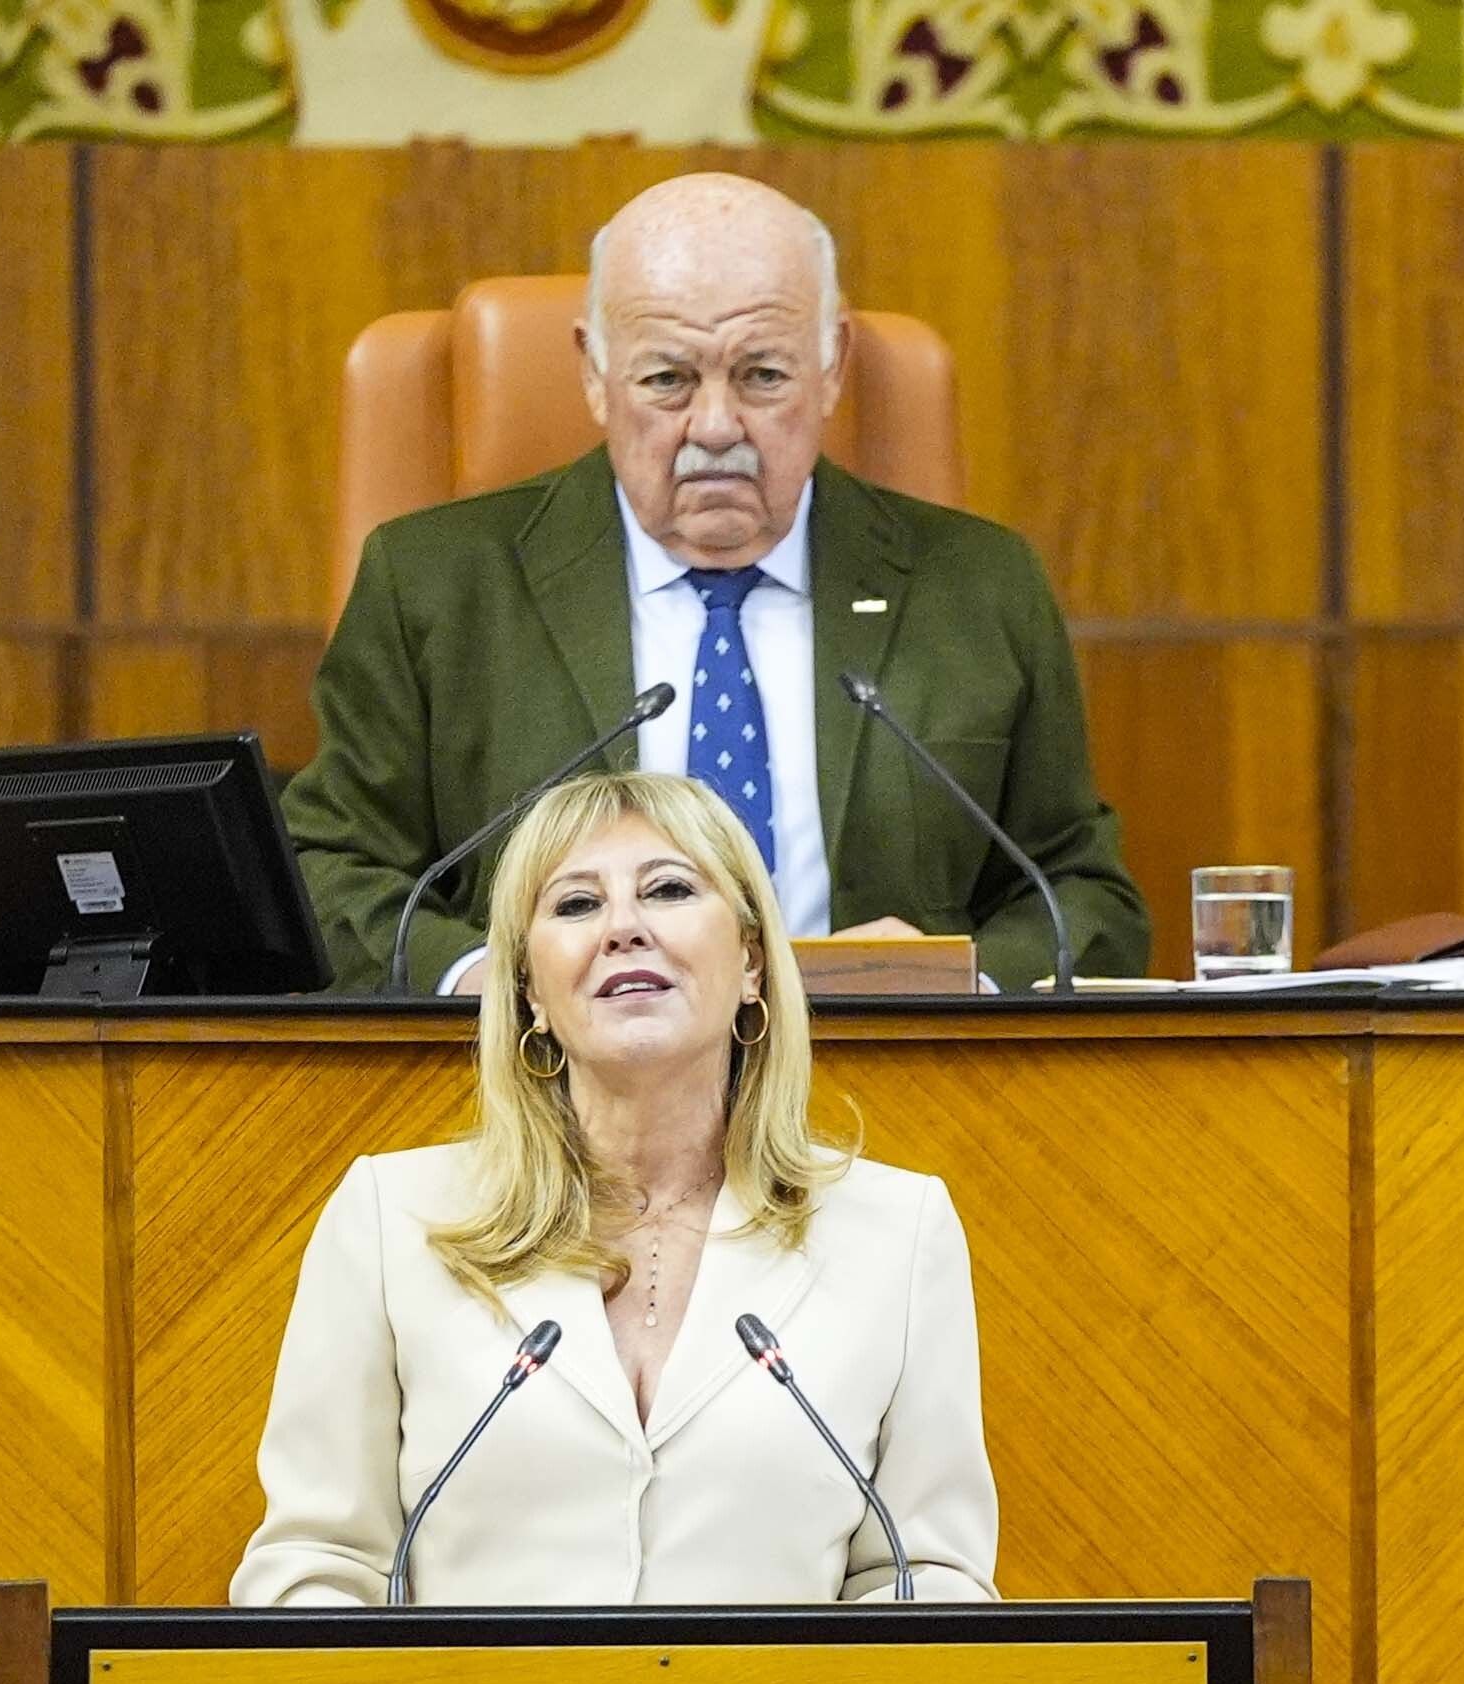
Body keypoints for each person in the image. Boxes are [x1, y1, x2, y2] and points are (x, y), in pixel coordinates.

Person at [289, 174, 1149, 998]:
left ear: (831, 365)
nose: (714, 426)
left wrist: (956, 981)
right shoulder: (437, 586)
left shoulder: (978, 587)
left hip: (888, 1077)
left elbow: (1079, 891)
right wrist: (489, 982)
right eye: (667, 379)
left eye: (761, 375)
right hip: (548, 1085)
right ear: (593, 372)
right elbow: (330, 866)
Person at [233, 770, 998, 1606]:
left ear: (750, 962)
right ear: (527, 987)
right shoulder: (392, 1219)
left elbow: (924, 1575)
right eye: (574, 905)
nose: (623, 929)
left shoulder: (895, 1228)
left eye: (668, 890)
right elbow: (318, 1566)